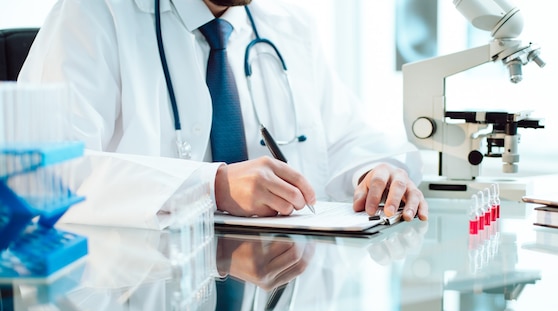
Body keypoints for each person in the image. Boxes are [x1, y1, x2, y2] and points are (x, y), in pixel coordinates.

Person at [19, 0, 428, 229]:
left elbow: (342, 138)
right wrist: (209, 187)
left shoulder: (288, 25)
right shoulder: (93, 15)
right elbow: (43, 175)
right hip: (130, 301)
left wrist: (375, 173)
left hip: (263, 300)